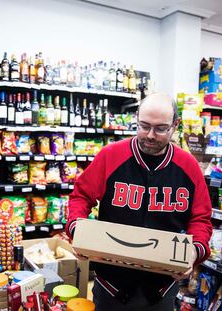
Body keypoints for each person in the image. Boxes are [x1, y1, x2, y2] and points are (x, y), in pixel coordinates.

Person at [66, 93, 212, 311]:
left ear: (175, 125)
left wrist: (194, 253)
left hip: (161, 287)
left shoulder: (188, 166)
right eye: (144, 126)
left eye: (161, 128)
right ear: (136, 118)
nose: (150, 135)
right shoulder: (110, 156)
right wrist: (77, 229)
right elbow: (81, 196)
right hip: (110, 286)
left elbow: (201, 218)